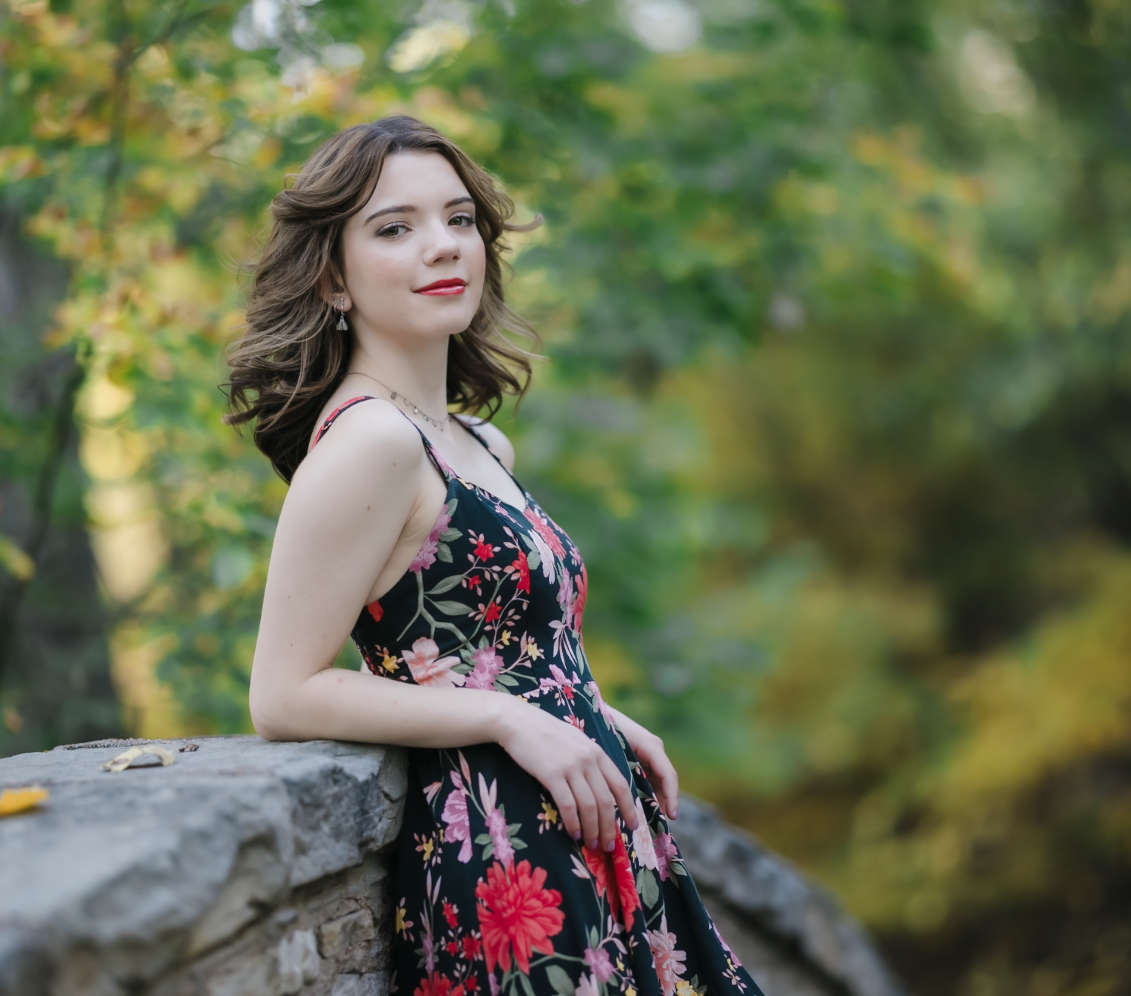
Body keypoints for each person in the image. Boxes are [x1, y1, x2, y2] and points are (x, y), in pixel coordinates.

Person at [228, 116, 759, 996]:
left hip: (587, 836)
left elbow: (497, 643)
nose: (442, 247)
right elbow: (281, 694)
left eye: (460, 219)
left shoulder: (473, 442)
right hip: (502, 858)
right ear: (332, 278)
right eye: (395, 229)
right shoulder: (371, 445)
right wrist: (511, 720)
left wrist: (589, 713)